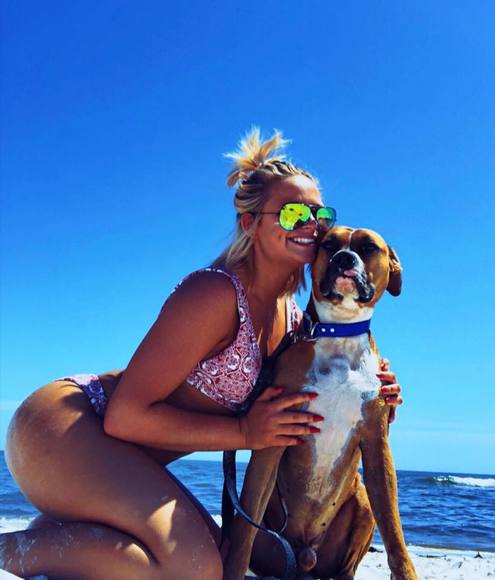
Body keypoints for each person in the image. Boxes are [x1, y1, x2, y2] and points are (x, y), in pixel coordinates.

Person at [0, 128, 404, 580]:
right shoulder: (215, 293)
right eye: (293, 213)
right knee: (197, 568)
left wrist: (376, 390)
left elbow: (333, 384)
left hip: (123, 461)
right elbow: (123, 417)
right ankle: (8, 553)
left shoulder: (293, 320)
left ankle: (57, 541)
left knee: (219, 552)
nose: (310, 225)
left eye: (319, 215)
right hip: (67, 430)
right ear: (250, 224)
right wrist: (245, 432)